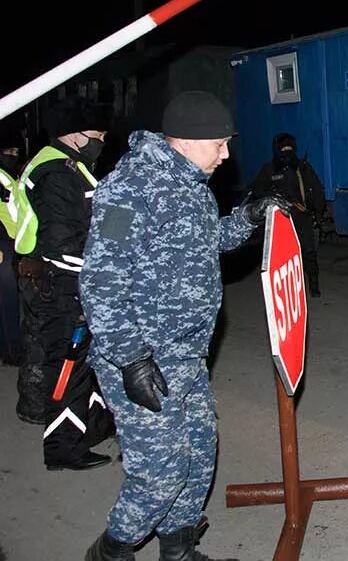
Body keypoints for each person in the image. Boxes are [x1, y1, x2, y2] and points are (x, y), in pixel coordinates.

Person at [80, 91, 287, 561]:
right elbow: (100, 281)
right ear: (186, 141)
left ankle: (178, 551)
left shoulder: (191, 183)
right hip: (143, 359)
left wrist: (249, 217)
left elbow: (206, 241)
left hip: (188, 356)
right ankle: (110, 552)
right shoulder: (127, 189)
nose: (226, 154)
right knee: (160, 473)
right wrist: (131, 359)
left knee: (198, 455)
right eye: (219, 144)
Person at [13, 96, 116, 471]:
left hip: (76, 282)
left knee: (87, 363)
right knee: (67, 368)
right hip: (64, 285)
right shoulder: (56, 173)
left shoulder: (73, 166)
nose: (101, 140)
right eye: (96, 134)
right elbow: (61, 246)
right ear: (74, 135)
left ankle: (93, 427)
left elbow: (97, 219)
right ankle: (62, 450)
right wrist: (108, 266)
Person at [248, 132, 325, 297]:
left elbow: (317, 190)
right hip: (281, 218)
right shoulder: (269, 170)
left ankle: (313, 283)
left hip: (302, 215)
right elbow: (257, 190)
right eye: (283, 148)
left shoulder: (302, 167)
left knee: (309, 252)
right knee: (284, 257)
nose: (287, 151)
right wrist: (273, 198)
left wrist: (318, 215)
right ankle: (288, 289)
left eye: (289, 148)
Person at [0, 117, 23, 366]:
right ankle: (12, 351)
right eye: (10, 151)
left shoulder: (6, 173)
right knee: (7, 300)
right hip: (2, 243)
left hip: (11, 241)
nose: (13, 155)